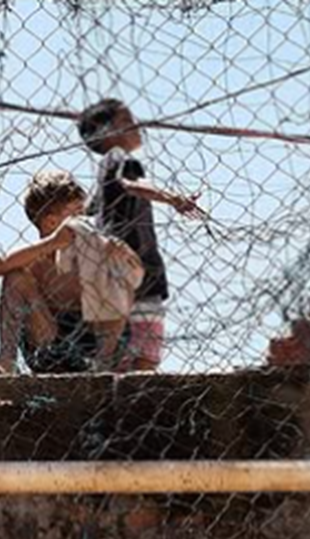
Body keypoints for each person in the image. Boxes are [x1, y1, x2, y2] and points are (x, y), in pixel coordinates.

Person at [77, 98, 204, 372]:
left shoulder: (103, 171)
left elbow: (89, 210)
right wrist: (173, 198)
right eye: (126, 122)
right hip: (138, 269)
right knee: (145, 356)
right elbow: (132, 184)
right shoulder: (120, 158)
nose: (137, 126)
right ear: (104, 133)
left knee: (117, 355)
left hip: (113, 276)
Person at [0, 170, 143, 375]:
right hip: (47, 345)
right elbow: (1, 266)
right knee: (16, 276)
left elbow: (135, 273)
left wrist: (121, 253)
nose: (84, 220)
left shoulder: (92, 251)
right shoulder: (35, 258)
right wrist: (55, 242)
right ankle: (6, 358)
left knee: (110, 272)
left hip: (94, 344)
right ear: (51, 223)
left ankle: (103, 365)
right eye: (76, 213)